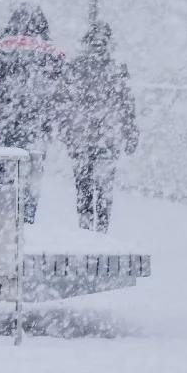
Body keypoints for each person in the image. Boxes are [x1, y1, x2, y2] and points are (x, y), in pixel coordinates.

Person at [0, 3, 67, 224]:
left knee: (3, 175)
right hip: (38, 127)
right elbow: (63, 94)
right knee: (31, 177)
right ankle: (26, 221)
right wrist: (51, 122)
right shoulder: (53, 53)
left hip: (6, 122)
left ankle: (3, 221)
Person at [62, 21, 138, 232]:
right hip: (108, 136)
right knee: (104, 187)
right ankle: (101, 231)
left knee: (83, 186)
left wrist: (66, 131)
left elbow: (65, 103)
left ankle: (85, 230)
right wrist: (130, 132)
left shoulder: (75, 67)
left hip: (81, 137)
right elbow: (127, 103)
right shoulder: (117, 69)